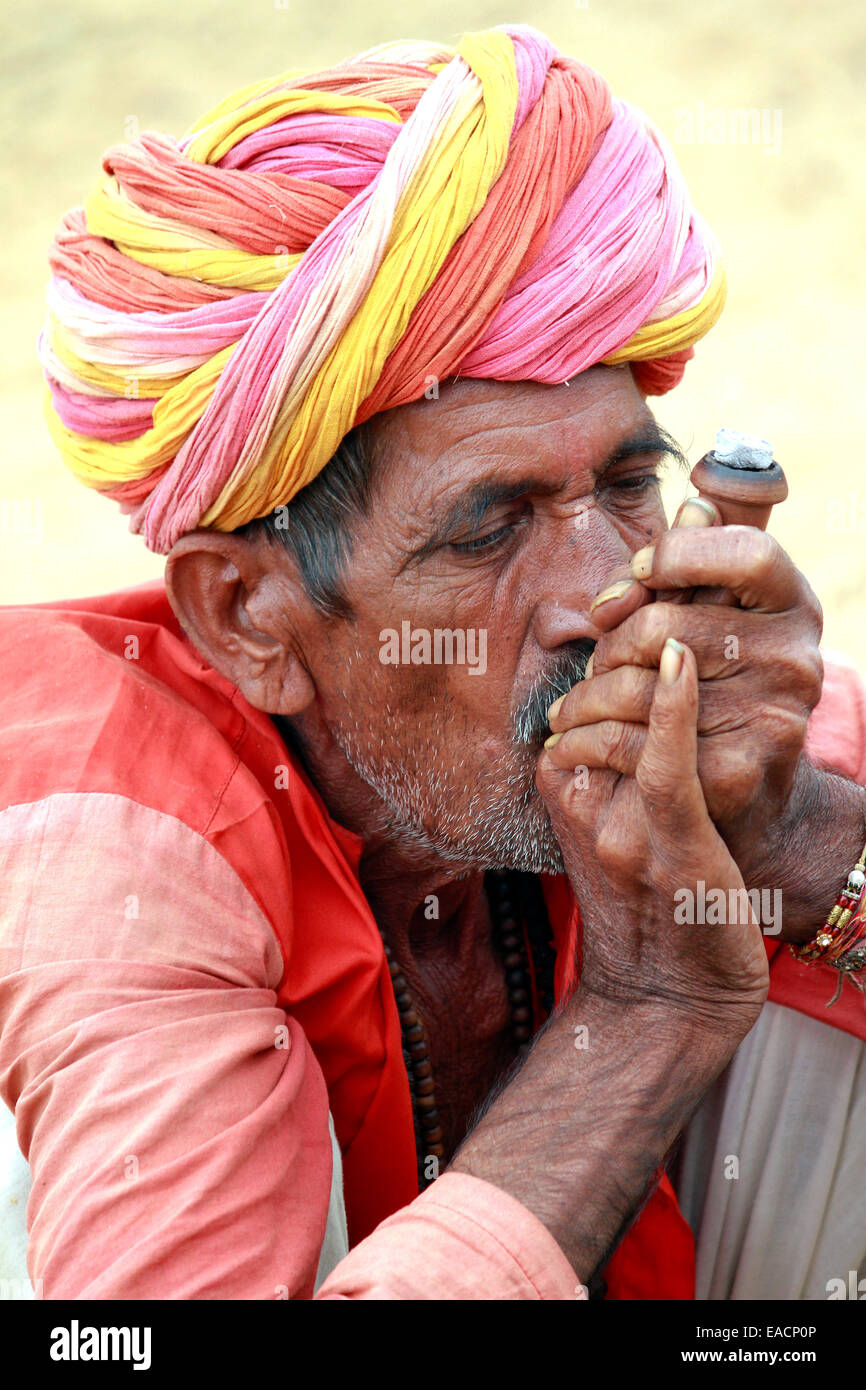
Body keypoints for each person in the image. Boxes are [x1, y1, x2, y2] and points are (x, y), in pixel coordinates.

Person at [1, 23, 864, 1301]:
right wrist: (641, 1019)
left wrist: (796, 838)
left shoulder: (723, 712)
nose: (599, 596)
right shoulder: (123, 844)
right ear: (249, 615)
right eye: (488, 526)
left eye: (630, 484)